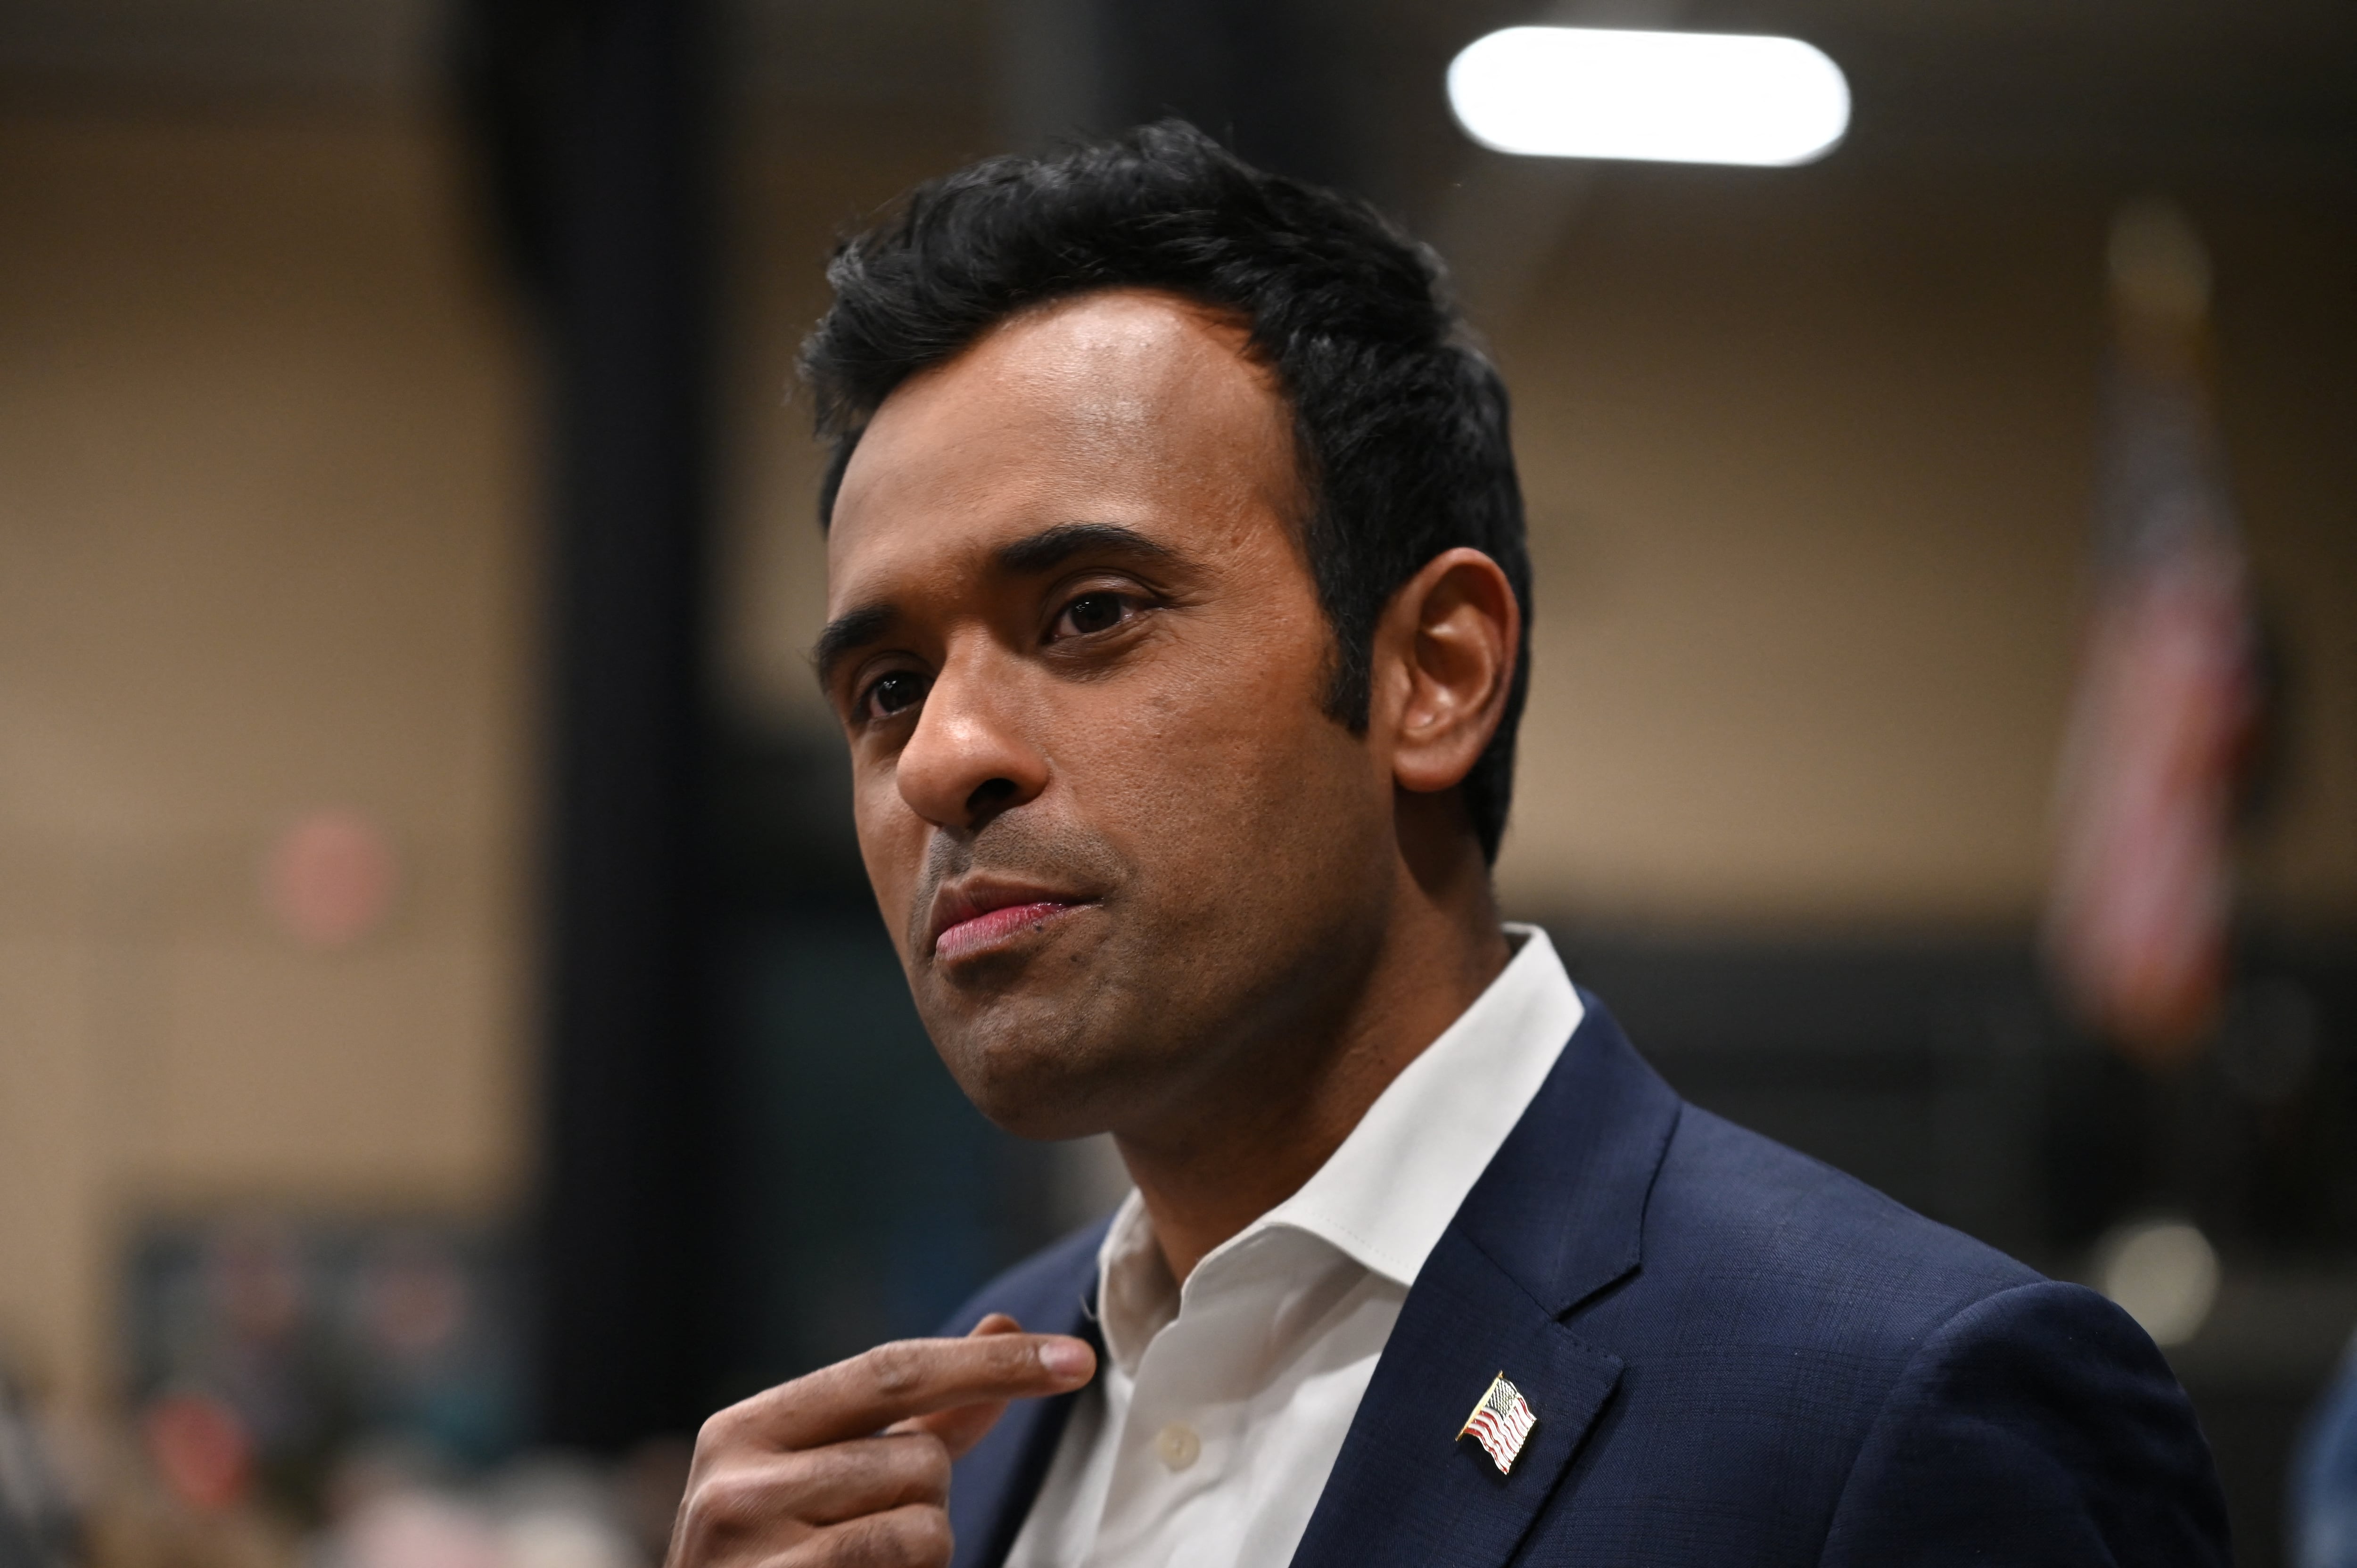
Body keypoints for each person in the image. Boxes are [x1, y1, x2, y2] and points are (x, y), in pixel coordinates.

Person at [666, 122, 2229, 1568]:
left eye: (1089, 615)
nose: (941, 757)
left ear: (1436, 676)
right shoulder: (964, 1432)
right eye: (885, 689)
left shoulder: (1898, 1407)